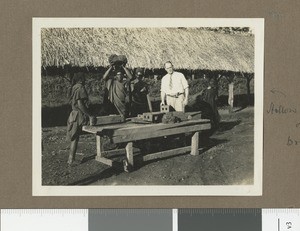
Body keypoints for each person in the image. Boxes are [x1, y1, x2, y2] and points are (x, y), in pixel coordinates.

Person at [66, 72, 95, 165]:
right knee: (75, 137)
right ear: (81, 79)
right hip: (78, 115)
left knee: (75, 137)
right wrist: (90, 115)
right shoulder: (80, 88)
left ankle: (71, 159)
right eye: (84, 78)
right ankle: (71, 160)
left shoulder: (74, 87)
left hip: (73, 114)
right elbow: (80, 104)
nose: (85, 80)